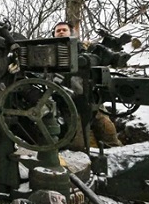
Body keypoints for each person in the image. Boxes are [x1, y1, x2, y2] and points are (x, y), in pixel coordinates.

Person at [52, 21, 123, 149]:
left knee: (108, 131)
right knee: (77, 144)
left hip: (92, 97)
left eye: (64, 30)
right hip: (69, 103)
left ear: (71, 33)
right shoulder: (49, 52)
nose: (61, 32)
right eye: (58, 31)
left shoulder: (84, 50)